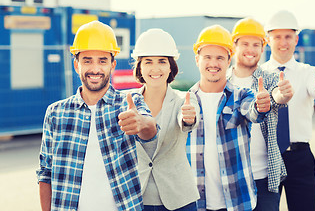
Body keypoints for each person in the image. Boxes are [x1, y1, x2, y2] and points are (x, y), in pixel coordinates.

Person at [36, 21, 158, 211]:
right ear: (77, 65)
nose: (95, 69)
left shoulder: (129, 102)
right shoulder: (55, 113)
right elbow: (45, 173)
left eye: (102, 60)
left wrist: (141, 123)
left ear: (112, 65)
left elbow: (151, 130)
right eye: (87, 60)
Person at [186, 24, 271, 211]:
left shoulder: (242, 96)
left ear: (228, 60)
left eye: (220, 58)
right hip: (196, 203)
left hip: (237, 202)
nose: (213, 63)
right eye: (207, 57)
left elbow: (253, 111)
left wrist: (261, 106)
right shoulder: (185, 101)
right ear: (197, 59)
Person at [261, 10, 315, 211]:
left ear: (296, 39)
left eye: (288, 36)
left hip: (299, 157)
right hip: (266, 158)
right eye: (277, 37)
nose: (283, 42)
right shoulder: (259, 75)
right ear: (268, 40)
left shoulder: (308, 72)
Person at [130, 28, 200, 211]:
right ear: (140, 67)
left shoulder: (184, 99)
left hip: (179, 199)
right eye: (148, 62)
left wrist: (188, 118)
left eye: (162, 61)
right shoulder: (127, 102)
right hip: (137, 197)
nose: (155, 68)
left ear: (171, 67)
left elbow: (188, 119)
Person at [228, 18, 293, 211]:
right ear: (234, 46)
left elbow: (277, 96)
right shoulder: (222, 82)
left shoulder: (271, 78)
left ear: (263, 47)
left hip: (264, 178)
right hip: (230, 179)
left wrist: (283, 94)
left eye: (256, 44)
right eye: (245, 44)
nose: (251, 49)